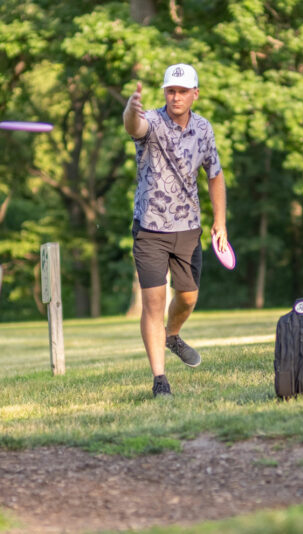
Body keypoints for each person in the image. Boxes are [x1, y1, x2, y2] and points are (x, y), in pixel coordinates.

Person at [123, 63, 228, 397]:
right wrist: (130, 110)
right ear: (164, 93)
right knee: (153, 303)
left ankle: (172, 335)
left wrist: (220, 221)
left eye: (183, 91)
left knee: (188, 297)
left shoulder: (203, 128)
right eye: (171, 90)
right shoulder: (152, 121)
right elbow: (134, 126)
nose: (176, 96)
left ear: (195, 93)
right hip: (150, 228)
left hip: (188, 229)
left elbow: (215, 174)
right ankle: (160, 381)